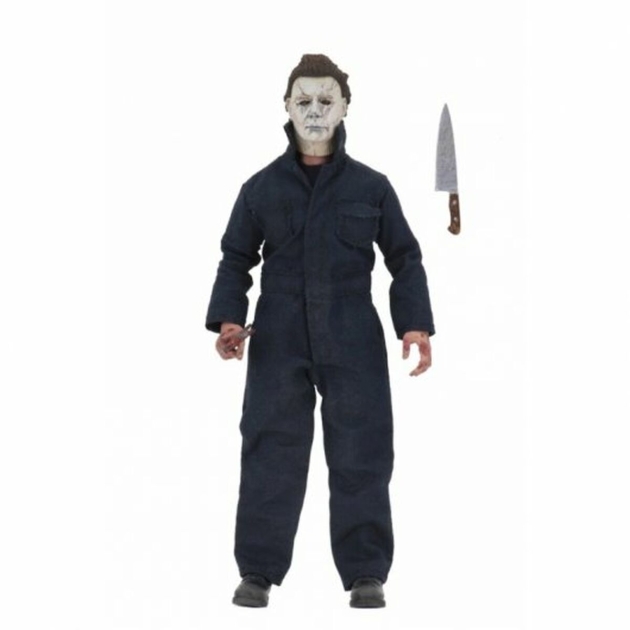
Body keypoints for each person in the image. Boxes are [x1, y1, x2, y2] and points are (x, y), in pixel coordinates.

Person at [205, 53, 435, 608]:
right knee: (270, 448)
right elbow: (236, 258)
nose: (314, 110)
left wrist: (415, 325)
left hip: (352, 332)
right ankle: (258, 570)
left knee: (362, 449)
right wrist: (230, 319)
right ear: (286, 106)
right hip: (278, 335)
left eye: (326, 100)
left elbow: (404, 258)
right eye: (303, 100)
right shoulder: (260, 189)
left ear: (346, 107)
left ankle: (365, 572)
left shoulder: (372, 188)